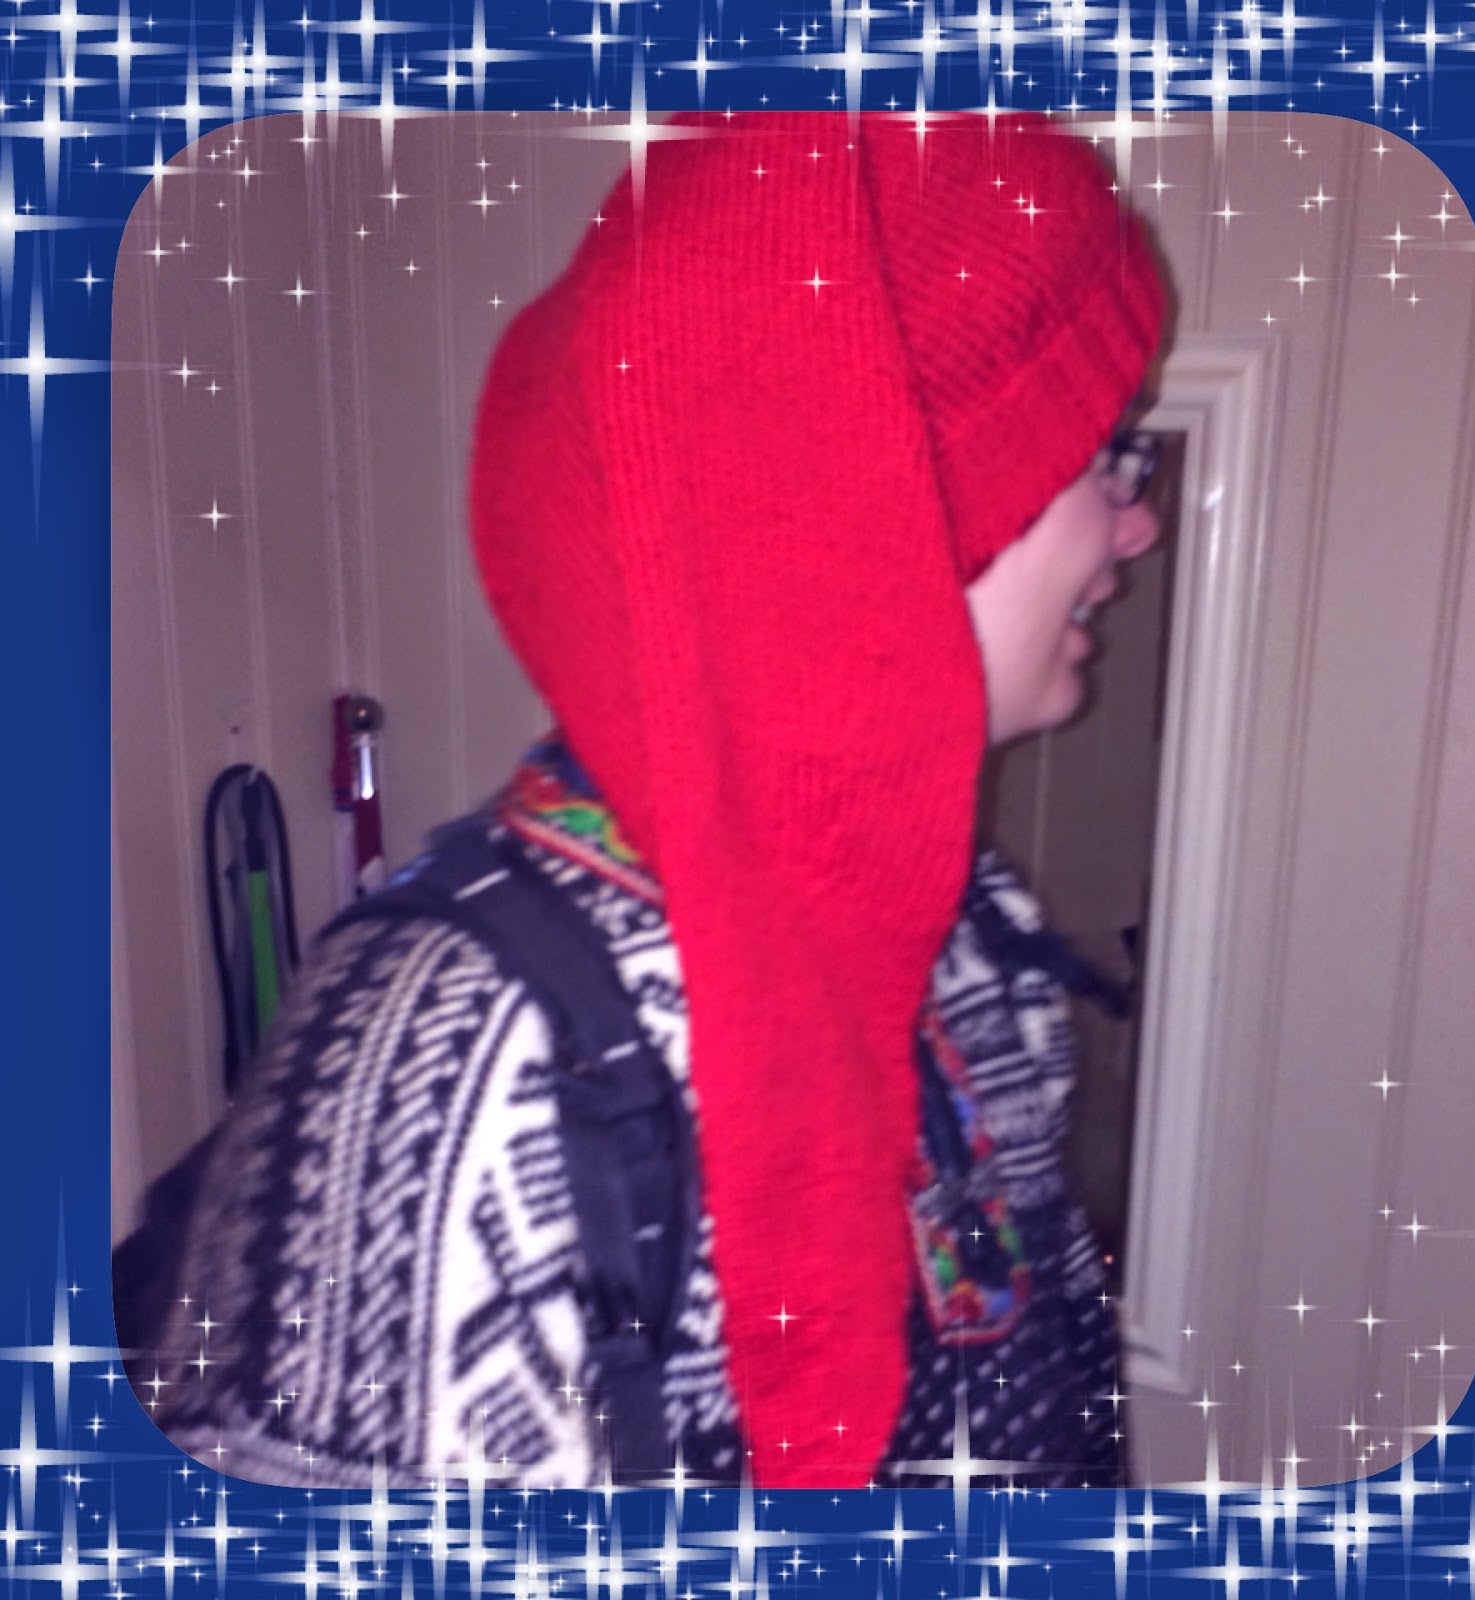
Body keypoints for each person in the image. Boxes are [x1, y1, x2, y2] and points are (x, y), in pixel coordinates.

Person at [139, 111, 1168, 1490]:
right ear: (890, 504)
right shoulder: (455, 1048)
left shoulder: (973, 928)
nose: (1137, 522)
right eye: (1105, 454)